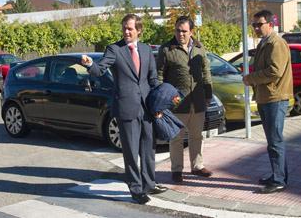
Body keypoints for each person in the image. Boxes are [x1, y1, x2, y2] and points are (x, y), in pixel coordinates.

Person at [80, 14, 167, 204]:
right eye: (124, 28)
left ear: (139, 30)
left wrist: (158, 103)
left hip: (147, 108)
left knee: (148, 148)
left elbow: (152, 79)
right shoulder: (114, 49)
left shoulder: (145, 50)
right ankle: (136, 189)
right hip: (126, 108)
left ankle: (149, 183)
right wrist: (89, 65)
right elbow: (100, 69)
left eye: (130, 28)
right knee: (130, 151)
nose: (126, 32)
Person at [156, 16, 213, 183]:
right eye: (177, 30)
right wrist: (161, 100)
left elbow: (206, 72)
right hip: (176, 103)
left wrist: (208, 94)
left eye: (184, 31)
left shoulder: (199, 47)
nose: (180, 34)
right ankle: (176, 170)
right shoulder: (167, 49)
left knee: (197, 136)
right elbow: (159, 76)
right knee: (176, 139)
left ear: (191, 32)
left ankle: (197, 166)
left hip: (198, 101)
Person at [242, 10, 293, 194]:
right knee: (273, 140)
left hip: (275, 98)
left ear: (270, 24)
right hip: (267, 97)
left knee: (275, 140)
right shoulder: (265, 42)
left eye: (259, 24)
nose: (255, 28)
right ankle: (278, 175)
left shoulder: (276, 43)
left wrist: (251, 78)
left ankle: (279, 179)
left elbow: (275, 71)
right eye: (253, 25)